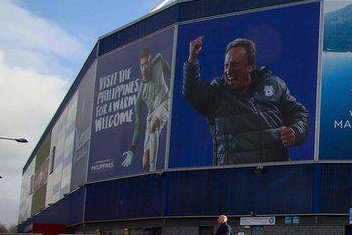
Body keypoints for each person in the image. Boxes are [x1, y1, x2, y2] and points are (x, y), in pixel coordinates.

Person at [183, 36, 308, 165]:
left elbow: (298, 113)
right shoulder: (218, 93)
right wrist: (192, 61)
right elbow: (192, 92)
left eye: (235, 65)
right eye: (226, 66)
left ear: (250, 66)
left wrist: (295, 131)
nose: (228, 71)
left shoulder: (274, 84)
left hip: (274, 176)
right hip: (233, 179)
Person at [122, 47, 170, 171]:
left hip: (166, 102)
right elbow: (138, 125)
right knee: (145, 161)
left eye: (147, 64)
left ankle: (154, 170)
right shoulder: (140, 95)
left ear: (150, 61)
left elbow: (170, 71)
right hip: (152, 114)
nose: (145, 68)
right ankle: (148, 172)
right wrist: (132, 149)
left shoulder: (158, 61)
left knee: (154, 123)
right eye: (142, 65)